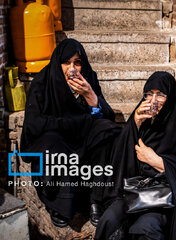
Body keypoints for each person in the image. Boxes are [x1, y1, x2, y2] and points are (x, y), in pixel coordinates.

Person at [20, 39, 120, 227]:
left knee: (108, 131)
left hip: (82, 138)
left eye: (77, 62)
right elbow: (34, 124)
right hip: (55, 138)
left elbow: (106, 117)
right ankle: (60, 203)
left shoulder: (88, 79)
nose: (72, 68)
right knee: (53, 142)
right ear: (59, 63)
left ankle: (96, 200)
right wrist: (77, 122)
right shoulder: (43, 82)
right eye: (67, 62)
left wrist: (90, 96)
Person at [95, 72, 176, 240]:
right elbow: (121, 161)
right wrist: (135, 124)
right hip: (135, 193)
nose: (153, 100)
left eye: (160, 95)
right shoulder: (141, 120)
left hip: (161, 199)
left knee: (146, 228)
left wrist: (159, 162)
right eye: (149, 94)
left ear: (169, 97)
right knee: (109, 220)